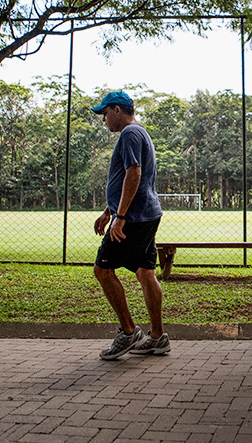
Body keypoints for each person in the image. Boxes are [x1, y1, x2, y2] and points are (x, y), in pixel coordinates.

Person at [91, 90, 169, 360]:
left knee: (102, 270)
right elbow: (131, 178)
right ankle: (158, 338)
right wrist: (108, 211)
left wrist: (120, 217)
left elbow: (134, 174)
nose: (104, 120)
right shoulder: (140, 132)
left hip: (134, 219)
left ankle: (128, 332)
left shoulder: (129, 134)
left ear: (116, 110)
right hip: (146, 214)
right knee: (146, 272)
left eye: (104, 113)